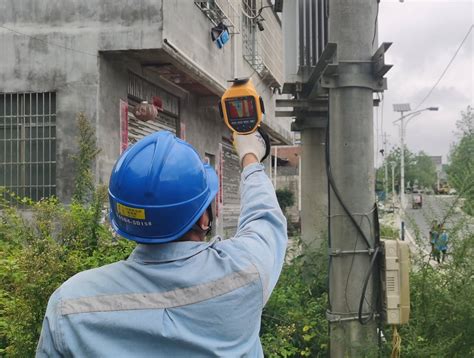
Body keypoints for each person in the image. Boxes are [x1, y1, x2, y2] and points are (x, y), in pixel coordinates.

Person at [36, 130, 287, 357]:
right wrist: (250, 156)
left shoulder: (69, 303)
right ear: (203, 217)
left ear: (122, 220)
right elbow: (264, 218)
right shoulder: (245, 272)